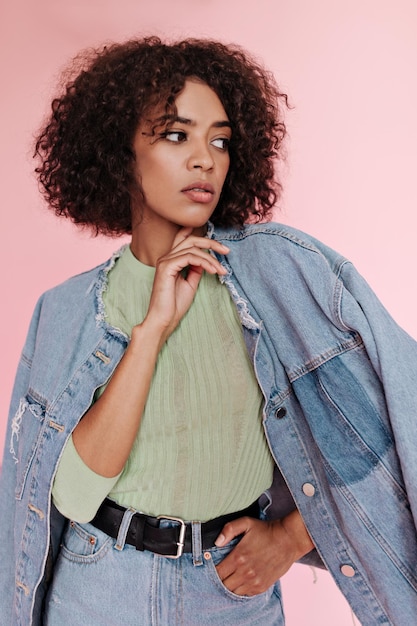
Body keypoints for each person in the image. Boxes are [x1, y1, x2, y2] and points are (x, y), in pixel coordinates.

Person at [0, 37, 416, 626]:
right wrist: (152, 331)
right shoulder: (64, 309)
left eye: (219, 140)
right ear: (121, 152)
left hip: (233, 591)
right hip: (100, 588)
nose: (206, 159)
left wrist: (293, 538)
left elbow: (391, 425)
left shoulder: (282, 276)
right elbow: (72, 495)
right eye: (177, 135)